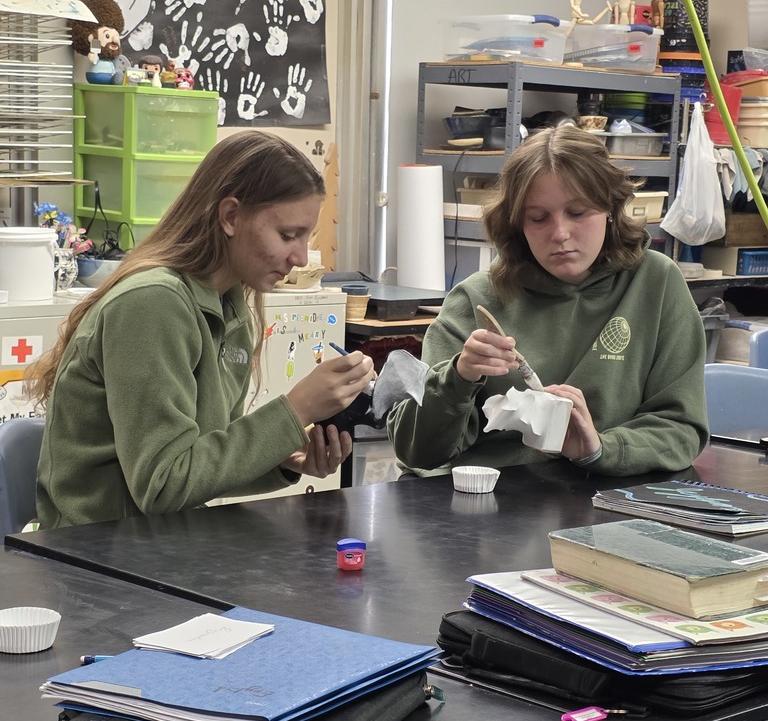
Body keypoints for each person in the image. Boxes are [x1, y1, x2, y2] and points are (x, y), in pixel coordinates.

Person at [27, 130, 374, 528]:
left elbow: (200, 462)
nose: (299, 257)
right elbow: (163, 485)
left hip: (160, 541)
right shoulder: (153, 303)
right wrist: (295, 411)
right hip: (97, 554)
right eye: (287, 235)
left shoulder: (229, 308)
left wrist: (279, 455)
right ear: (230, 216)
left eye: (305, 238)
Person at [388, 124, 708, 478]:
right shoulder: (475, 301)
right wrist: (458, 378)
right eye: (538, 218)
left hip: (605, 501)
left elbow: (681, 429)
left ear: (611, 208)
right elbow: (416, 451)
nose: (560, 234)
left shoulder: (656, 283)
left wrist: (600, 448)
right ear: (516, 226)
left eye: (578, 212)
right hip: (488, 508)